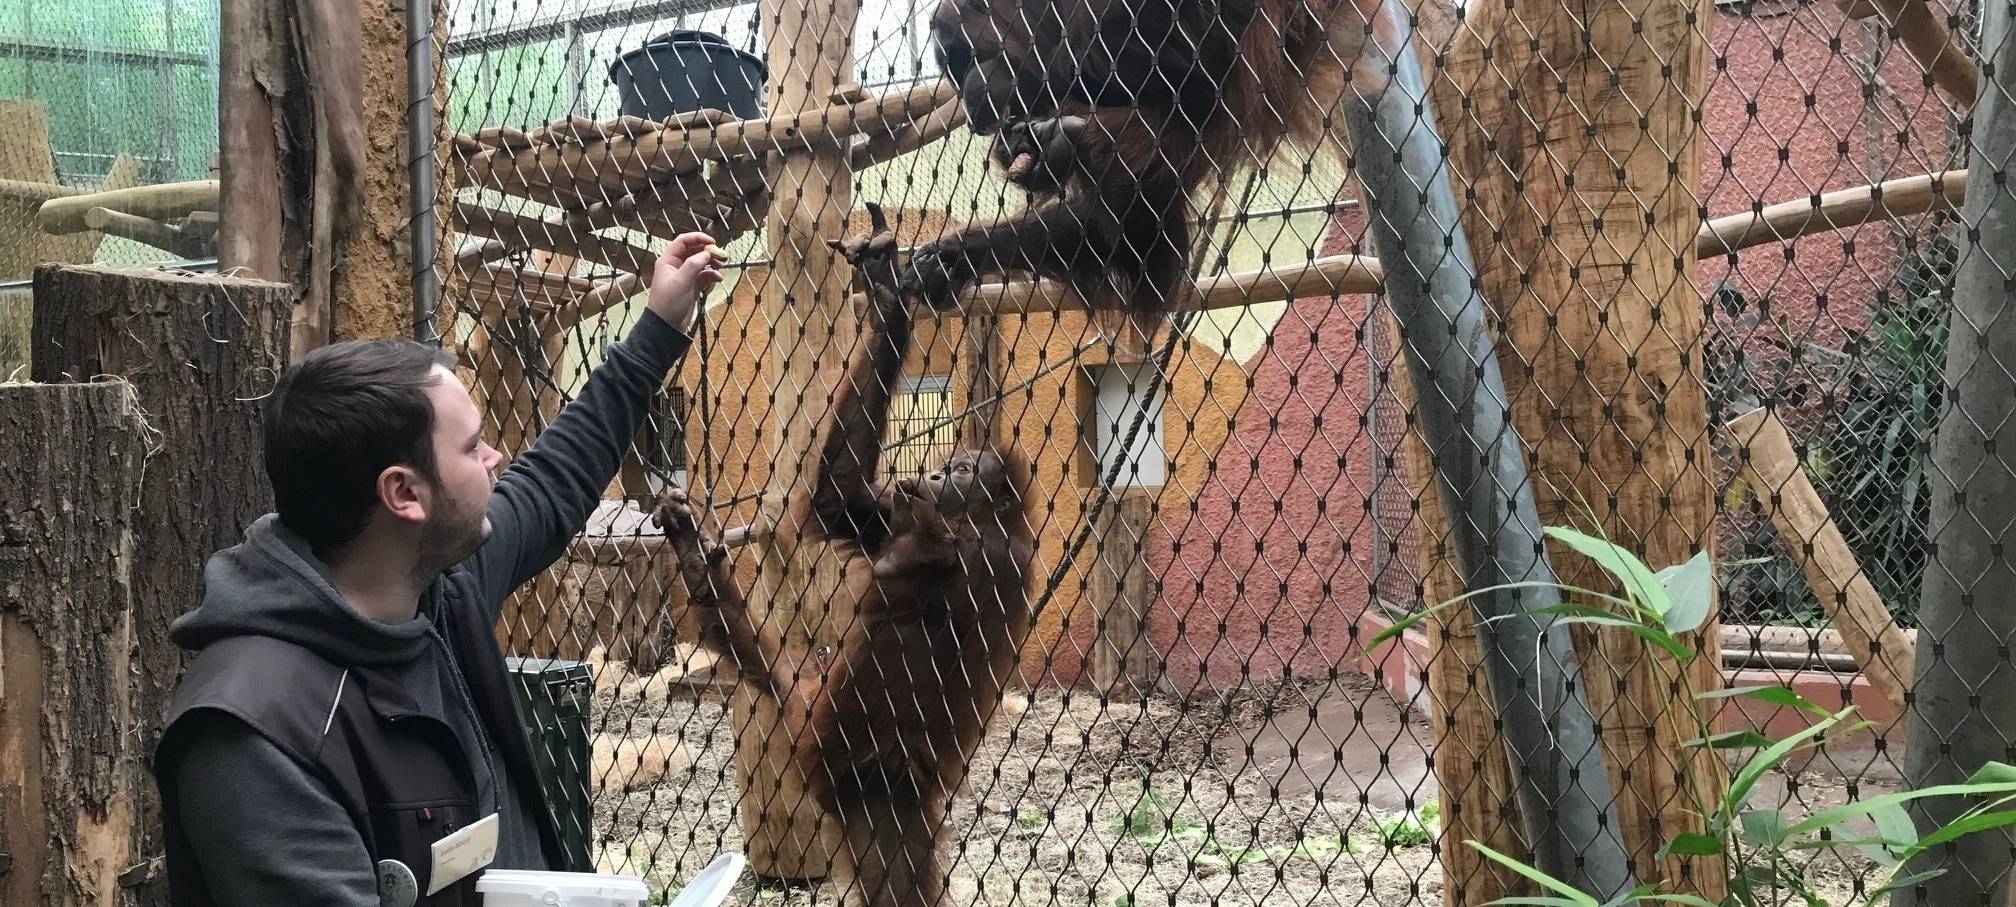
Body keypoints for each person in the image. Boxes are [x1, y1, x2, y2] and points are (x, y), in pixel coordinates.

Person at [150, 233, 725, 907]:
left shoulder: (436, 589)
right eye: (473, 446)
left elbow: (554, 481)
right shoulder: (255, 734)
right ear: (404, 493)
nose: (496, 457)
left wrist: (659, 327)